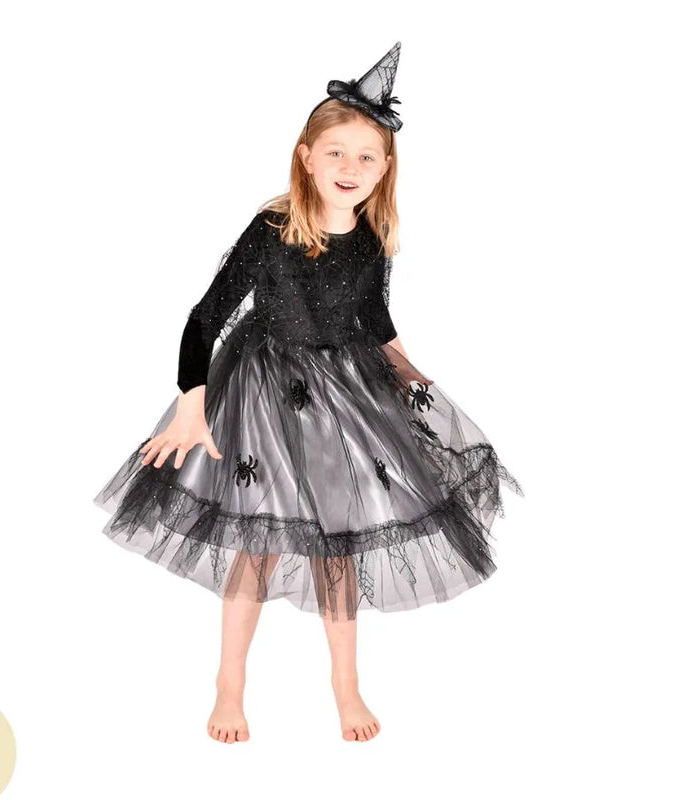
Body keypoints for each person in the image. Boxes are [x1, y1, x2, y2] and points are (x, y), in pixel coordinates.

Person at [93, 42, 523, 744]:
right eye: (336, 153)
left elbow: (375, 321)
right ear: (307, 156)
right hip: (262, 395)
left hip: (342, 398)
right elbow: (206, 317)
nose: (351, 167)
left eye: (367, 157)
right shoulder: (272, 229)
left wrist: (417, 384)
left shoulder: (373, 238)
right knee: (258, 542)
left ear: (386, 167)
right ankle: (229, 683)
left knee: (339, 542)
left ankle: (345, 685)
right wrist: (191, 402)